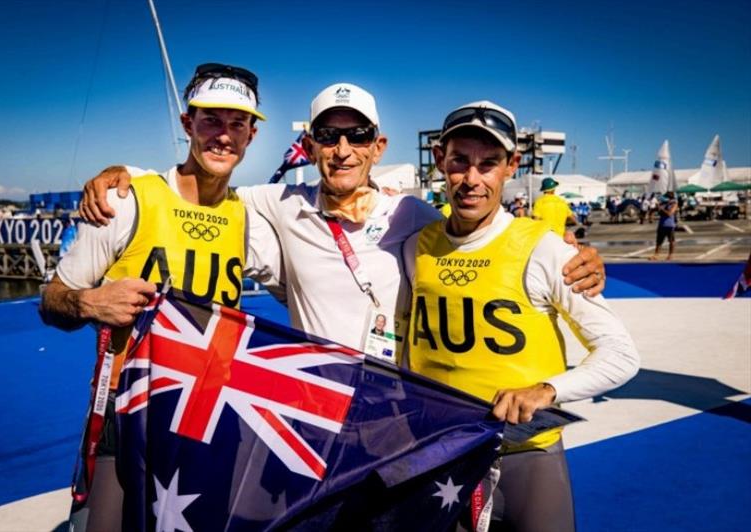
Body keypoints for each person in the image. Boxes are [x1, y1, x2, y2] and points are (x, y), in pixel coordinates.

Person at [80, 83, 606, 363]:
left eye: (358, 135)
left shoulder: (415, 216)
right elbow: (206, 189)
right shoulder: (276, 204)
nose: (343, 149)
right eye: (329, 136)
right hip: (316, 404)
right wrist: (129, 173)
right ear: (309, 147)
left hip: (401, 404)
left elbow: (481, 241)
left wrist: (570, 258)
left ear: (378, 147)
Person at [39, 63, 282, 531]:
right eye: (211, 119)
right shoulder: (126, 199)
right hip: (127, 410)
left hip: (208, 413)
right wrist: (92, 303)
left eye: (237, 124)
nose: (223, 136)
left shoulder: (247, 217)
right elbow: (52, 298)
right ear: (187, 123)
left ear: (251, 135)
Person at [404, 100, 639, 531]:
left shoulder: (544, 249)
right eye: (459, 161)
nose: (472, 180)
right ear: (440, 159)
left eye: (488, 163)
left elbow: (621, 354)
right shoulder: (416, 243)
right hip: (440, 455)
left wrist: (547, 389)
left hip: (525, 453)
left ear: (511, 165)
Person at [652, 191, 678, 260]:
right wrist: (657, 208)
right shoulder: (663, 203)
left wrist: (661, 209)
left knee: (671, 241)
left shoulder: (674, 204)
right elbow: (659, 212)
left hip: (670, 225)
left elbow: (670, 213)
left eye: (666, 197)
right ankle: (656, 255)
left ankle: (670, 255)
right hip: (661, 224)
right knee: (659, 241)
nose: (665, 198)